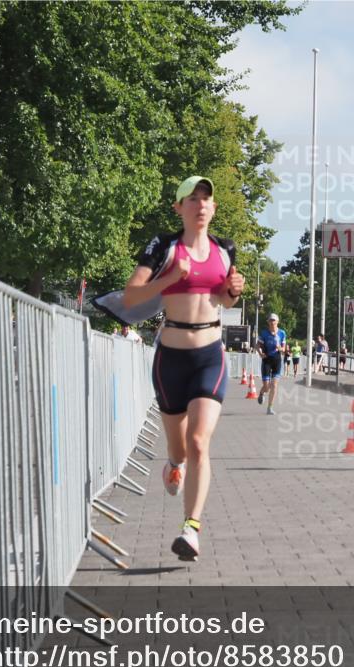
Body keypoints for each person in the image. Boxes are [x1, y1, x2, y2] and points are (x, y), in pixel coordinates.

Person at [121, 176, 245, 560]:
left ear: (214, 207)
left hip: (210, 355)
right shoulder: (164, 246)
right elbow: (131, 296)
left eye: (207, 199)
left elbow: (224, 299)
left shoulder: (225, 249)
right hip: (170, 359)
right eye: (193, 199)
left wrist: (233, 291)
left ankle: (191, 529)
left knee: (199, 442)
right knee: (179, 449)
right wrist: (173, 276)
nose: (201, 205)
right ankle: (173, 464)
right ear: (179, 207)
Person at [256, 313, 287, 415]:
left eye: (274, 320)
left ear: (277, 322)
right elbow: (257, 345)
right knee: (267, 386)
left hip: (277, 360)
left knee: (274, 384)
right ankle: (261, 393)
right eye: (270, 320)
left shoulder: (282, 333)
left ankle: (270, 408)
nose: (272, 322)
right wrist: (260, 353)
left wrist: (280, 348)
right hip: (266, 360)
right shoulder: (264, 333)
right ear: (268, 322)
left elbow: (284, 349)